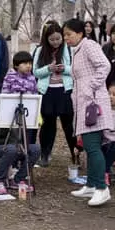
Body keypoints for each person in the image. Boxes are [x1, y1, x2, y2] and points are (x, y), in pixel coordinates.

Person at [63, 18, 114, 207]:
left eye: (69, 34)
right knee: (89, 145)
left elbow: (105, 66)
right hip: (84, 103)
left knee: (93, 146)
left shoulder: (89, 45)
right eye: (65, 35)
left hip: (93, 104)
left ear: (79, 33)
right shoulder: (78, 49)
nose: (66, 38)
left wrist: (91, 87)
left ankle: (102, 188)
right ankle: (92, 184)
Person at [33, 23, 75, 168]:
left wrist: (65, 69)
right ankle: (45, 154)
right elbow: (36, 72)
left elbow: (76, 69)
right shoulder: (39, 51)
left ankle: (75, 154)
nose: (56, 42)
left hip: (65, 90)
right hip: (47, 91)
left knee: (69, 124)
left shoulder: (69, 50)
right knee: (48, 125)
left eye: (58, 39)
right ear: (46, 39)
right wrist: (48, 69)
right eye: (52, 39)